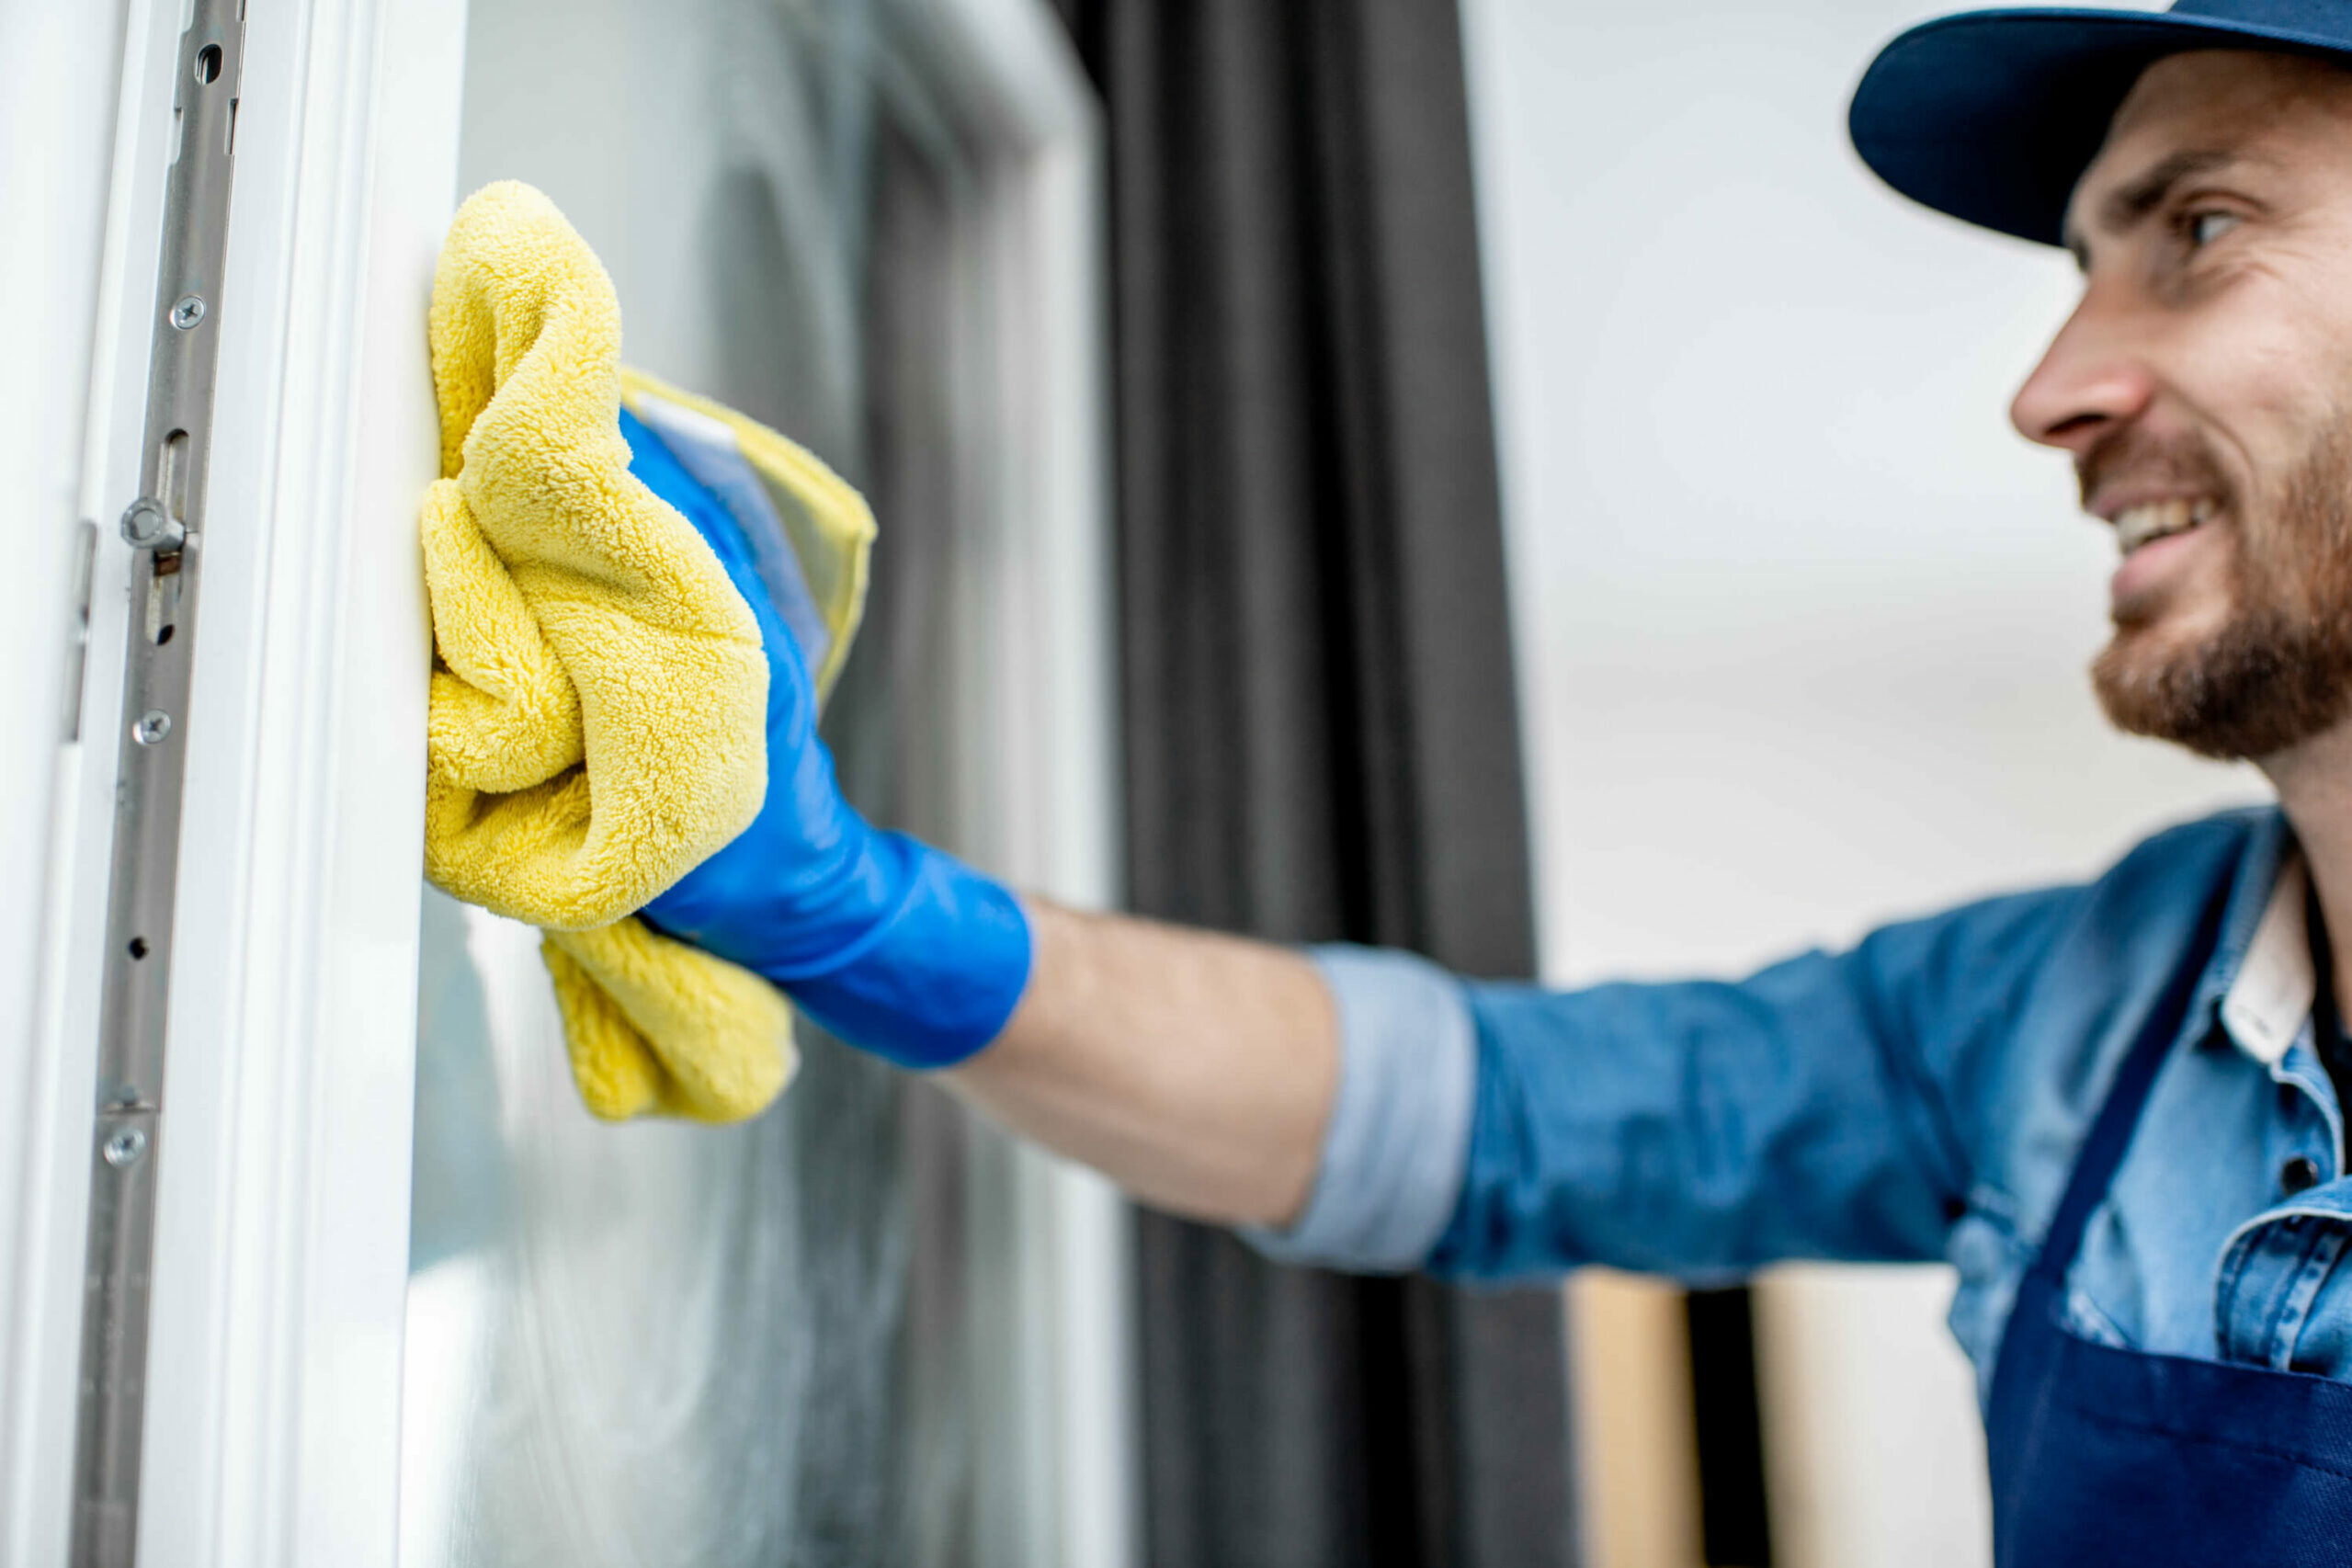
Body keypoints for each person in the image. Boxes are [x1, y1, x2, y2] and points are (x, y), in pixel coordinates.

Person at [631, 1, 2352, 1558]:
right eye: (2076, 270)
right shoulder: (2085, 1003)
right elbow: (1478, 1114)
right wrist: (848, 906)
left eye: (2202, 231)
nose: (2051, 389)